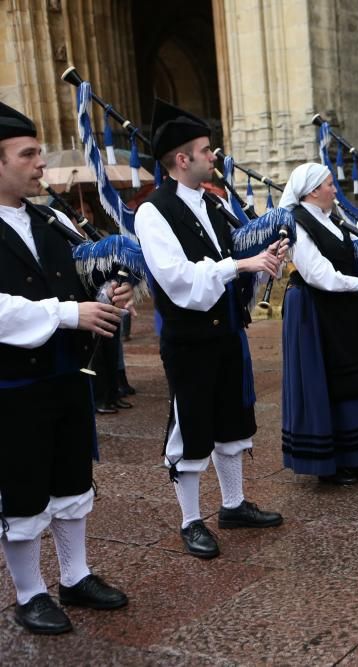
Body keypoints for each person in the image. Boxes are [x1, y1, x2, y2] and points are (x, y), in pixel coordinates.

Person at [134, 99, 286, 560]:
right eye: (206, 150)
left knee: (231, 417)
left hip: (227, 333)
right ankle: (190, 519)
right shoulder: (152, 212)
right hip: (190, 340)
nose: (214, 156)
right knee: (193, 424)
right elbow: (180, 280)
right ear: (182, 160)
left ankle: (234, 504)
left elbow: (229, 266)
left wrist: (263, 260)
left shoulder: (214, 204)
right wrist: (240, 262)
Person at [0, 101, 131, 634]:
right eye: (28, 155)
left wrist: (104, 290)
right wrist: (67, 313)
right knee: (23, 488)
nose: (40, 166)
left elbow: (77, 279)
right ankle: (29, 592)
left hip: (66, 375)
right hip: (13, 385)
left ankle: (75, 577)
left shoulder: (48, 217)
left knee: (73, 480)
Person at [279, 163, 358, 486]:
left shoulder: (330, 220)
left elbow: (345, 259)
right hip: (313, 309)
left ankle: (353, 453)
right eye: (329, 184)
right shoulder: (297, 225)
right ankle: (329, 461)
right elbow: (318, 274)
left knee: (349, 371)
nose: (334, 189)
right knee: (324, 377)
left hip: (339, 305)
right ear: (313, 191)